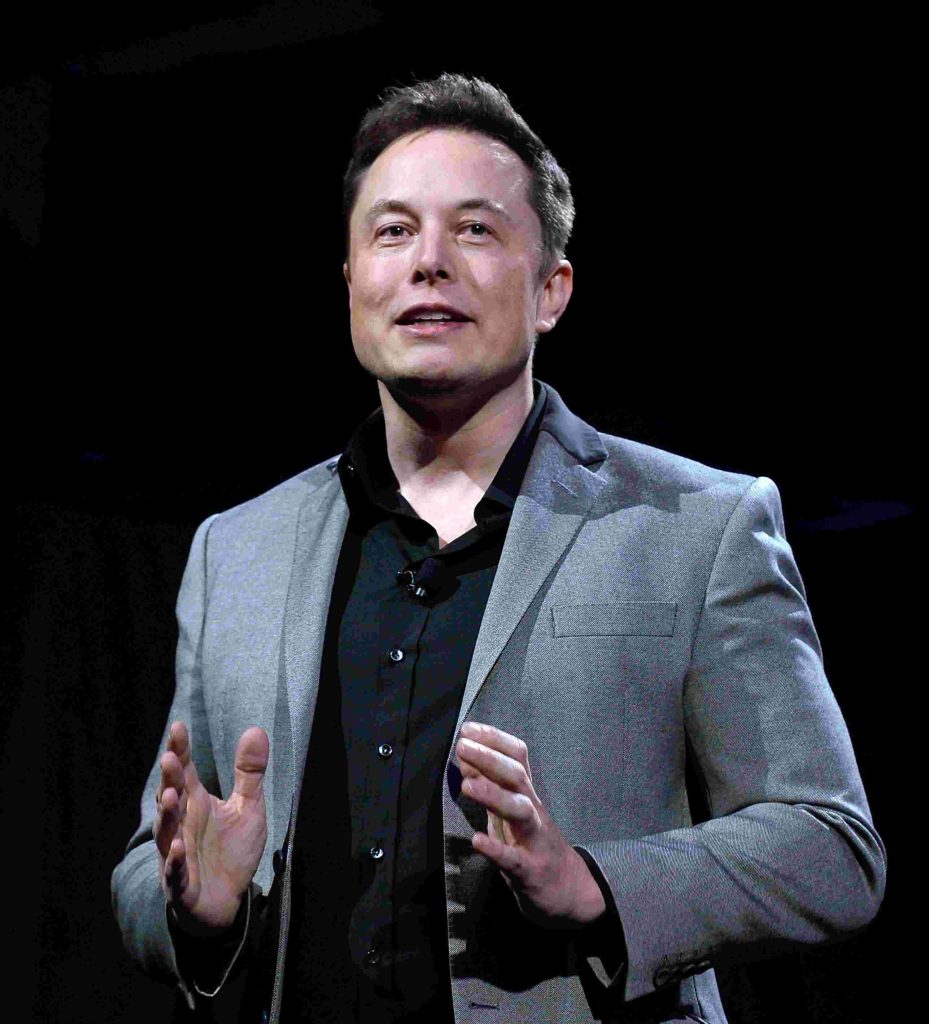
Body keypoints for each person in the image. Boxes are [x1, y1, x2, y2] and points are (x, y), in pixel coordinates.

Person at [112, 73, 886, 1024]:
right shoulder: (236, 548)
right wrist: (196, 912)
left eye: (474, 229)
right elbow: (149, 867)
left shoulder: (699, 526)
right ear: (351, 282)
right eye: (392, 231)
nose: (428, 262)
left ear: (550, 291)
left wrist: (596, 883)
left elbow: (830, 847)